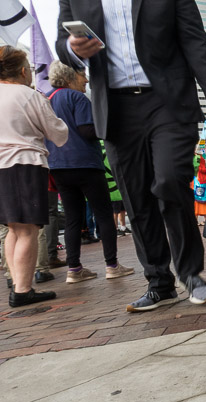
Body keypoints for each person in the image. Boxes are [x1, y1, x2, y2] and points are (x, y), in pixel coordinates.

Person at [57, 0, 206, 312]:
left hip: (167, 101)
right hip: (115, 109)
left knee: (169, 181)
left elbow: (194, 39)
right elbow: (62, 45)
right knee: (135, 197)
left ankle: (191, 274)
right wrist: (73, 49)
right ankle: (159, 282)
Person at [45, 60, 135, 284]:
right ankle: (112, 265)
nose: (86, 80)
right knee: (103, 214)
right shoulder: (77, 98)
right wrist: (108, 126)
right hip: (85, 163)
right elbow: (87, 131)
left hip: (58, 166)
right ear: (69, 77)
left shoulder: (46, 99)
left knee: (73, 218)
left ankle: (74, 268)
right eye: (82, 75)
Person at [0, 46, 68, 307]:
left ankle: (17, 283)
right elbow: (59, 134)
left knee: (12, 228)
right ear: (21, 71)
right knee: (28, 229)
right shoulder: (30, 96)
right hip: (25, 164)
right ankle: (22, 289)